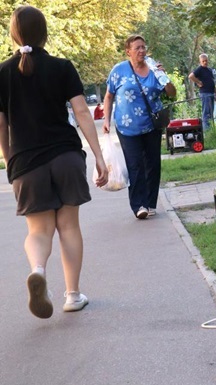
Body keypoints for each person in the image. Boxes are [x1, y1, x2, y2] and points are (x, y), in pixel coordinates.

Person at [0, 6, 109, 319]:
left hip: (27, 163)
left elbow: (1, 126)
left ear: (13, 34)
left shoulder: (2, 73)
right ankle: (73, 295)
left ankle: (38, 270)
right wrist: (99, 156)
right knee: (69, 226)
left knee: (38, 230)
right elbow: (82, 112)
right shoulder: (62, 67)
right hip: (65, 156)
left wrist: (10, 162)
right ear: (44, 33)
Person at [102, 35, 176, 219]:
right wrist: (106, 120)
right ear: (128, 51)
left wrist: (163, 76)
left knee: (152, 164)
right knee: (135, 165)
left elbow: (171, 94)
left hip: (152, 125)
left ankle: (150, 203)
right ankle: (138, 206)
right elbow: (109, 96)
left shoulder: (153, 70)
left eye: (143, 47)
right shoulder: (119, 70)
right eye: (137, 48)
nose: (142, 51)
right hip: (127, 128)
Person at [188, 53, 216, 130]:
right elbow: (191, 76)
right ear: (200, 61)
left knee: (211, 113)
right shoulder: (199, 69)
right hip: (205, 93)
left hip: (211, 93)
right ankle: (206, 132)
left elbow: (213, 82)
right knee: (206, 113)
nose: (205, 62)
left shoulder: (209, 70)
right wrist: (198, 82)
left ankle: (211, 130)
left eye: (206, 61)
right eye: (203, 61)